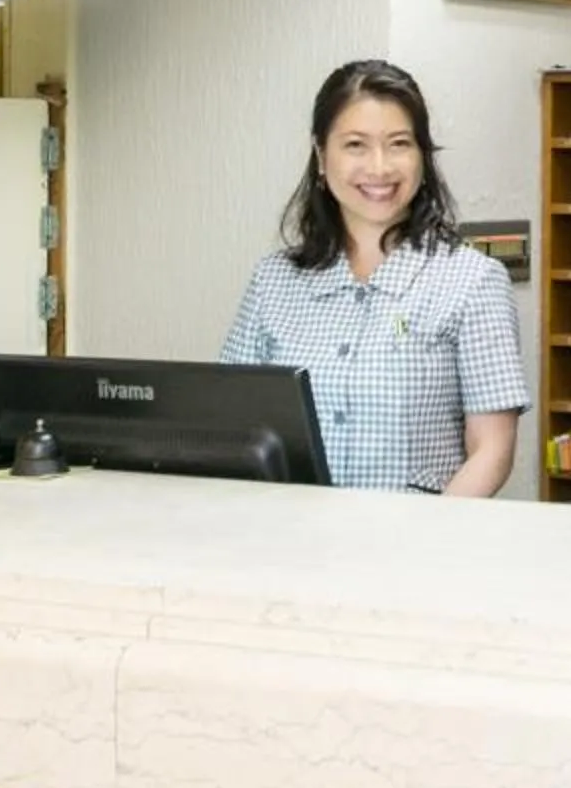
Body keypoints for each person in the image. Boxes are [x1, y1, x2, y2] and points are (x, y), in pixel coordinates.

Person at [221, 59, 526, 495]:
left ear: (422, 155)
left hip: (417, 533)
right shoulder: (273, 280)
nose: (379, 168)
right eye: (355, 145)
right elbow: (232, 426)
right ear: (321, 156)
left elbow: (492, 450)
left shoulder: (474, 281)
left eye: (399, 144)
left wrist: (431, 532)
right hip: (291, 531)